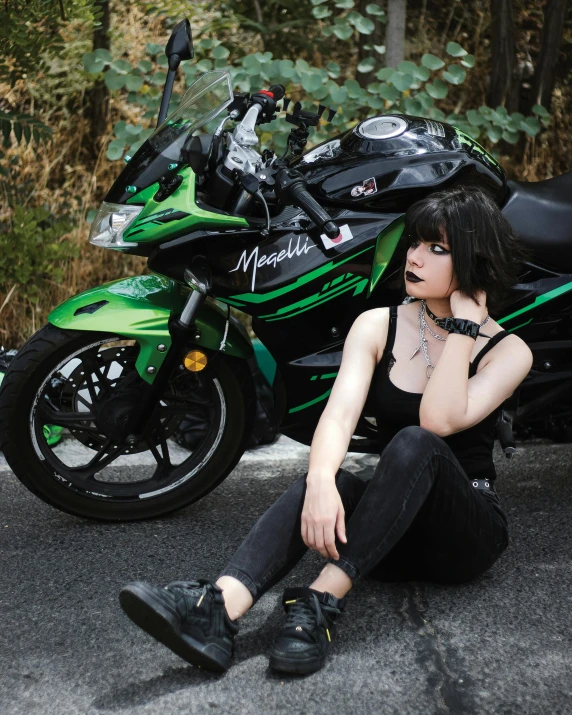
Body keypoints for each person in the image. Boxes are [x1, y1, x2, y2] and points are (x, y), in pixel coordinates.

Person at [119, 186, 533, 676]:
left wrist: (464, 330)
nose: (415, 258)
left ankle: (318, 603)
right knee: (332, 478)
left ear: (473, 263)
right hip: (388, 533)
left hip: (464, 536)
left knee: (415, 442)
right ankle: (219, 609)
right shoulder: (379, 325)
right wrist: (319, 485)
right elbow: (338, 417)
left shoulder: (509, 351)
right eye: (415, 244)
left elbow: (437, 422)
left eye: (437, 249)